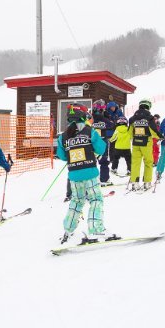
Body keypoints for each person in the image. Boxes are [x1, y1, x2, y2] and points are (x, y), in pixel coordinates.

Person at [57, 103, 118, 244]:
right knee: (95, 200)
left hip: (74, 175)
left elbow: (62, 156)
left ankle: (68, 229)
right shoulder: (90, 131)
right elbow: (101, 149)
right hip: (90, 172)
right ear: (83, 115)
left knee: (77, 201)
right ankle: (96, 228)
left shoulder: (63, 136)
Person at [128, 98, 163, 191]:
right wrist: (161, 136)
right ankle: (147, 183)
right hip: (146, 143)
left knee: (135, 163)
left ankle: (134, 183)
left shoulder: (132, 118)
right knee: (148, 162)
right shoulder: (149, 118)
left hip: (136, 143)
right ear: (148, 106)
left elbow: (130, 132)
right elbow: (153, 130)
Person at [92, 99, 114, 186]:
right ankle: (104, 179)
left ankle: (92, 180)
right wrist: (107, 117)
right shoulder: (103, 119)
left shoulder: (90, 119)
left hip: (92, 142)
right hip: (102, 142)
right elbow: (112, 124)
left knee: (92, 162)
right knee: (104, 161)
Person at [104, 101, 124, 166]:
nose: (113, 108)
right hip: (107, 131)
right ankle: (106, 158)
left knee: (113, 146)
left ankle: (112, 158)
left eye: (114, 107)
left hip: (115, 131)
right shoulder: (106, 112)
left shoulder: (118, 112)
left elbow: (123, 118)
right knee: (106, 146)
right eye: (111, 107)